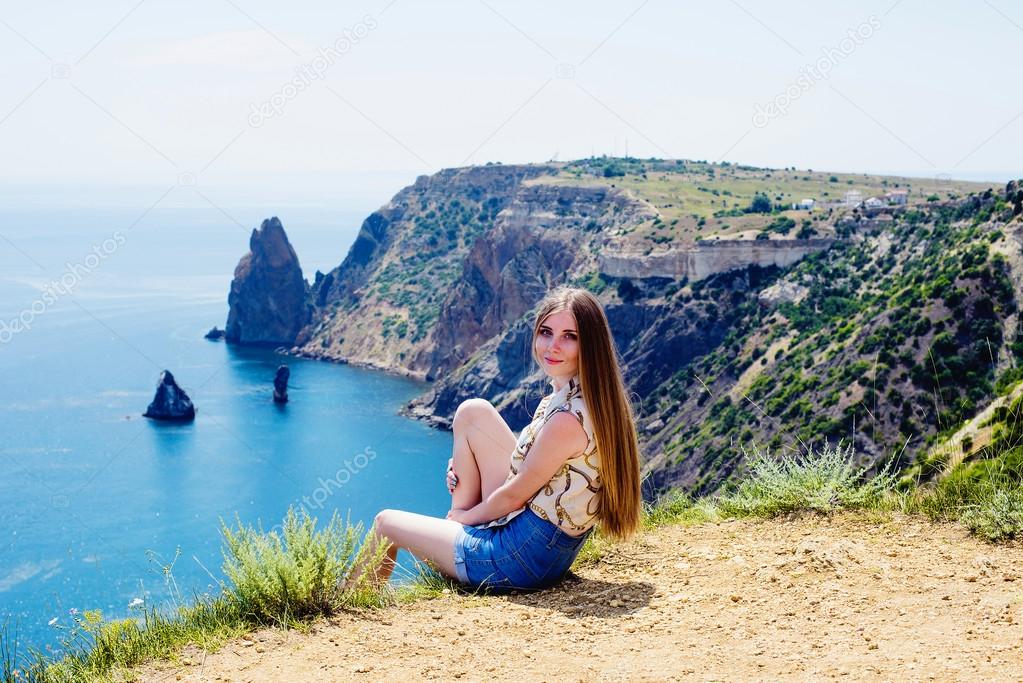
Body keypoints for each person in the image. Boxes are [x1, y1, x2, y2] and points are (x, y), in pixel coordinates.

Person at [348, 286, 642, 592]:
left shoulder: (567, 420)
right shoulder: (581, 398)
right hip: (542, 548)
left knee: (386, 524)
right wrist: (466, 462)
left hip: (518, 559)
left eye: (570, 336)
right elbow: (533, 466)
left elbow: (515, 494)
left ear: (589, 345)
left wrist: (463, 518)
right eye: (546, 332)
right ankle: (455, 545)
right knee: (473, 412)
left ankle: (351, 606)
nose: (553, 346)